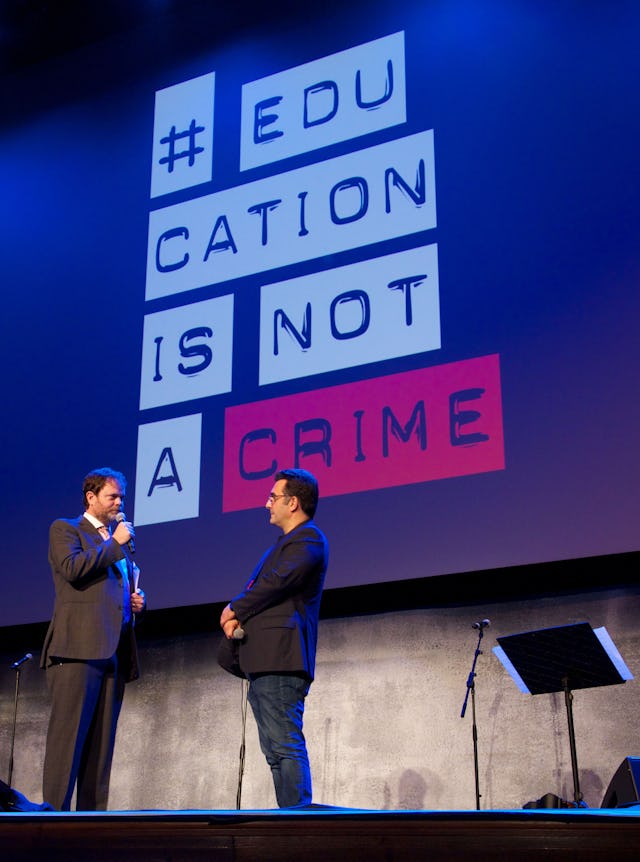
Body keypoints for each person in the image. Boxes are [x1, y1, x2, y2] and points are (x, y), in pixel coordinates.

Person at [218, 468, 329, 808]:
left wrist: (234, 608)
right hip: (264, 660)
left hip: (281, 660)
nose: (267, 504)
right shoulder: (284, 544)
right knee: (274, 752)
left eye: (273, 497)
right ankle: (290, 820)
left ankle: (299, 825)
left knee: (285, 747)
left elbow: (277, 582)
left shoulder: (308, 539)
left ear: (292, 503)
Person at [41, 467, 146, 811]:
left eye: (121, 497)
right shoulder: (66, 529)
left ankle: (91, 825)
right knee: (68, 744)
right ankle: (51, 824)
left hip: (113, 652)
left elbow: (111, 590)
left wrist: (135, 601)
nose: (119, 503)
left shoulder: (116, 543)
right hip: (77, 651)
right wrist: (115, 544)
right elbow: (73, 569)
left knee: (101, 752)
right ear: (91, 497)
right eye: (112, 497)